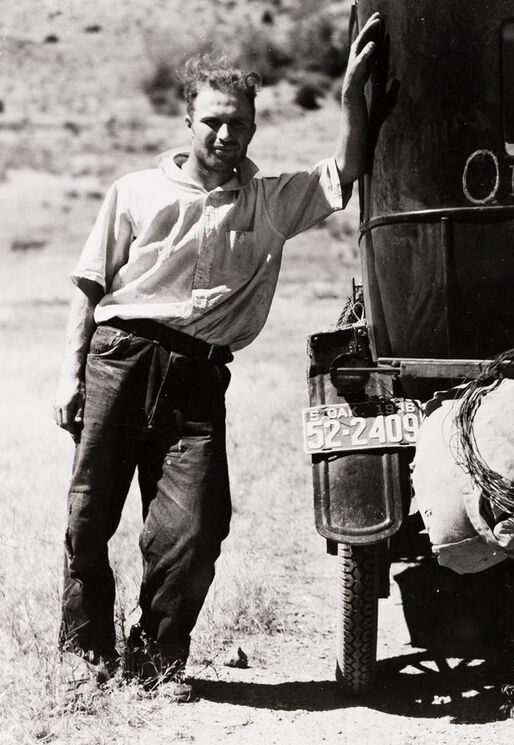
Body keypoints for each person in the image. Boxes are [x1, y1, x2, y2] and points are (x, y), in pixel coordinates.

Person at [51, 13, 382, 702]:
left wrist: (352, 93)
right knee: (89, 515)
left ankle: (156, 657)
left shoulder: (269, 201)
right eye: (213, 122)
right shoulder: (133, 192)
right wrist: (70, 376)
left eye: (239, 123)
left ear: (254, 126)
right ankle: (86, 653)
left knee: (196, 528)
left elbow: (346, 169)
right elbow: (88, 289)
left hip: (199, 377)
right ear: (187, 120)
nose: (227, 135)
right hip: (121, 359)